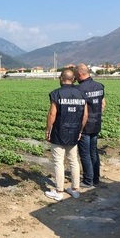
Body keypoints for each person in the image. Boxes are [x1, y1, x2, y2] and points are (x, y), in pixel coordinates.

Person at [45, 69, 88, 201]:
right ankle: (75, 190)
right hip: (74, 131)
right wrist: (80, 130)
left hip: (59, 131)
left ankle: (59, 191)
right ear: (73, 79)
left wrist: (48, 129)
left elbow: (52, 114)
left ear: (61, 78)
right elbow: (85, 115)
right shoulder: (81, 94)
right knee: (73, 161)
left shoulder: (56, 94)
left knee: (58, 162)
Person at [74, 63, 106, 188]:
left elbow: (82, 112)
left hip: (85, 125)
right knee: (94, 151)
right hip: (96, 123)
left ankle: (88, 181)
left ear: (80, 74)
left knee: (85, 153)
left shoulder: (79, 89)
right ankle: (96, 178)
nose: (75, 78)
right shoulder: (99, 86)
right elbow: (103, 104)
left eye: (76, 75)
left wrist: (80, 128)